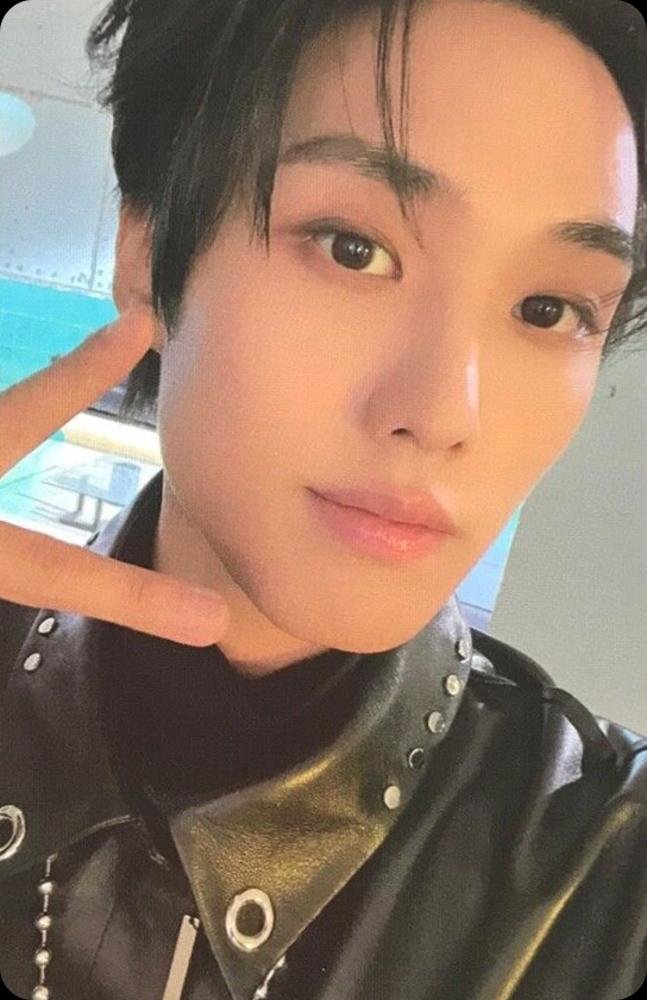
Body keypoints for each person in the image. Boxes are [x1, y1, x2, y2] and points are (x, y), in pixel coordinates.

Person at [1, 0, 646, 997]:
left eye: (548, 308)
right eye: (353, 248)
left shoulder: (605, 869)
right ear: (148, 255)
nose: (444, 413)